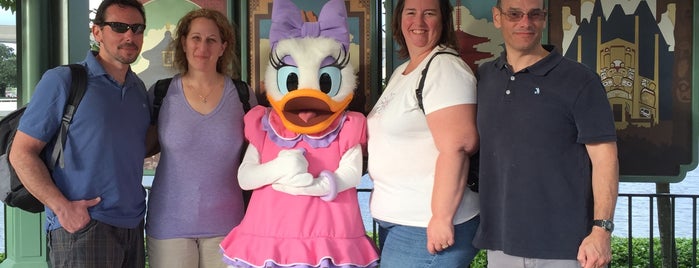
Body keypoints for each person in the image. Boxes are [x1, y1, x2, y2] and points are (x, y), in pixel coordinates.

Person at [473, 0, 619, 267]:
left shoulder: (580, 81)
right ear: (497, 17)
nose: (525, 23)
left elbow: (605, 159)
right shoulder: (485, 78)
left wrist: (601, 230)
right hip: (502, 244)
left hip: (569, 247)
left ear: (543, 18)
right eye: (514, 14)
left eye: (534, 14)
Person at [8, 0, 150, 267]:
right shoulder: (64, 80)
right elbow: (21, 152)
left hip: (132, 225)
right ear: (97, 32)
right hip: (83, 227)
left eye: (137, 28)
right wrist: (62, 208)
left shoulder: (138, 90)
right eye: (118, 27)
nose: (129, 35)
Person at [366, 0, 480, 267]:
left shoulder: (444, 68)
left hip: (425, 226)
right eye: (411, 13)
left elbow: (459, 146)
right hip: (400, 220)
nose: (418, 22)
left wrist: (441, 217)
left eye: (429, 13)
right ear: (398, 20)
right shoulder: (403, 71)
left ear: (443, 21)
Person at [144, 8, 257, 268]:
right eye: (195, 38)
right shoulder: (161, 94)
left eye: (211, 40)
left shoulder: (242, 96)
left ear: (223, 46)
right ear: (184, 43)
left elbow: (259, 153)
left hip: (229, 224)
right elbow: (135, 146)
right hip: (169, 224)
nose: (202, 47)